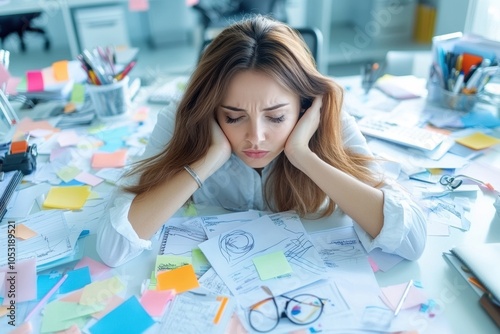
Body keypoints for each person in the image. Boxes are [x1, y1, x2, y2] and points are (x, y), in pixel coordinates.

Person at [96, 15, 426, 267]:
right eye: (233, 117)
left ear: (303, 105)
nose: (255, 137)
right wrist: (210, 158)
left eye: (277, 117)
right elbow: (113, 248)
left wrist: (303, 156)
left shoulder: (327, 116)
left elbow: (412, 241)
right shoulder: (182, 115)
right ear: (211, 109)